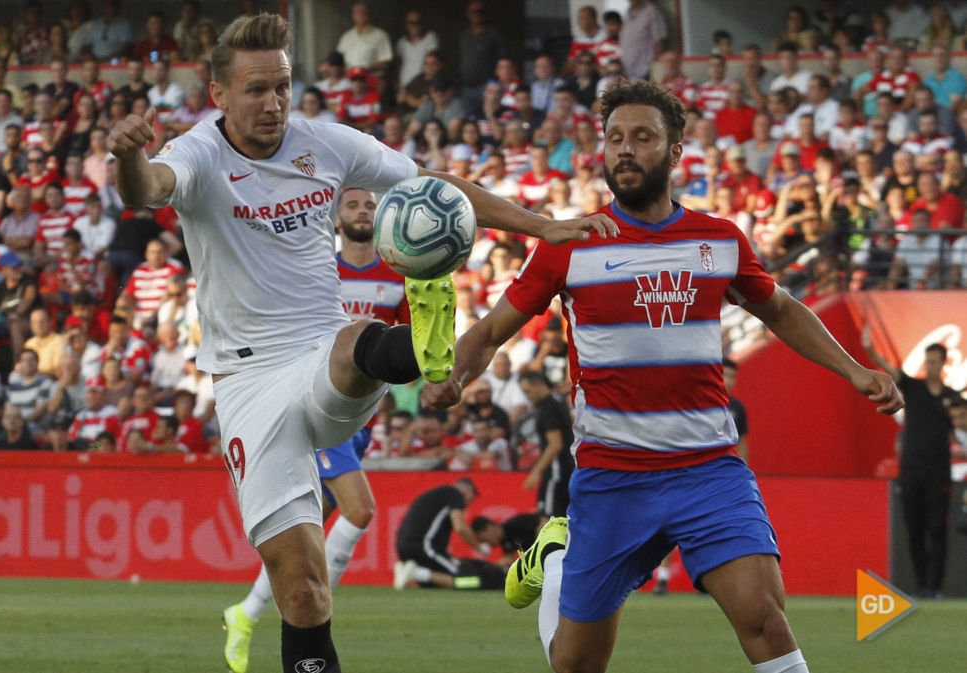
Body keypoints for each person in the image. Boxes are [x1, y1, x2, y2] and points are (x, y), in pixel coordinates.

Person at [107, 13, 615, 673]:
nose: (275, 103)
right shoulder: (198, 154)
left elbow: (438, 190)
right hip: (245, 385)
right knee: (302, 588)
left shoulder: (325, 143)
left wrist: (541, 225)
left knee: (352, 344)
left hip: (324, 354)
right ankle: (423, 340)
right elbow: (148, 188)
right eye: (257, 89)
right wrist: (126, 155)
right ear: (219, 96)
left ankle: (427, 346)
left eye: (283, 86)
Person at [422, 80, 904, 673]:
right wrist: (453, 376)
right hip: (613, 478)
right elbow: (492, 330)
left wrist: (853, 369)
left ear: (676, 152)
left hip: (708, 470)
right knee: (575, 665)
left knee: (764, 619)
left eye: (643, 138)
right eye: (615, 138)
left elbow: (779, 308)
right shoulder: (568, 244)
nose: (625, 150)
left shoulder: (719, 240)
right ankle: (553, 556)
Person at [221, 187, 409, 672]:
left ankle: (245, 613)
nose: (363, 211)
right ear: (336, 217)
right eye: (353, 205)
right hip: (311, 399)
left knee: (302, 536)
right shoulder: (321, 271)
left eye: (370, 205)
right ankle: (315, 609)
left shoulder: (399, 272)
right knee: (360, 508)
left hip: (359, 413)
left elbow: (408, 346)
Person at [862, 333, 959, 598]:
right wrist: (870, 347)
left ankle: (935, 587)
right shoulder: (913, 388)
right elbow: (888, 369)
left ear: (944, 363)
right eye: (928, 361)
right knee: (914, 526)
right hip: (911, 469)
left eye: (935, 361)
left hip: (939, 471)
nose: (931, 365)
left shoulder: (953, 398)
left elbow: (960, 433)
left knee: (937, 527)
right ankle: (922, 586)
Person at [392, 477, 502, 590]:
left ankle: (413, 571)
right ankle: (416, 573)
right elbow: (460, 527)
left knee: (438, 581)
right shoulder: (455, 494)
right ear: (468, 490)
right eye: (471, 500)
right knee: (466, 579)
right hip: (424, 547)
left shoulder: (436, 495)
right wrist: (479, 547)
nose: (467, 505)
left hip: (404, 547)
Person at [517, 370, 574, 520]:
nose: (527, 396)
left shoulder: (547, 408)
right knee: (564, 521)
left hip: (556, 472)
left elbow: (555, 444)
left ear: (540, 385)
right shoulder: (558, 401)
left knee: (547, 522)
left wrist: (535, 472)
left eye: (528, 391)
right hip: (567, 469)